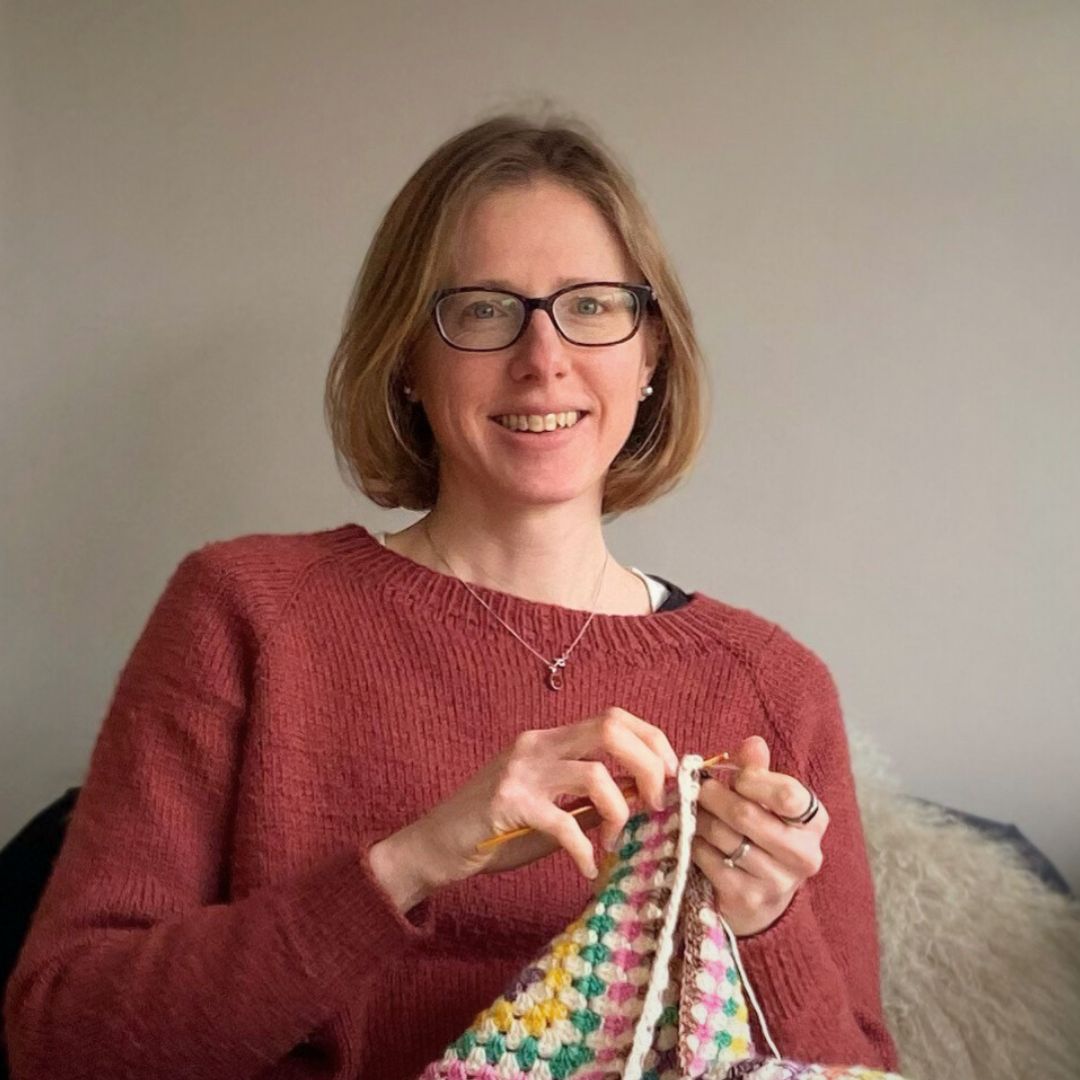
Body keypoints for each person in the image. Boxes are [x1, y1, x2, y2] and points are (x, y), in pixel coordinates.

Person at [3, 115, 898, 1080]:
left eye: (592, 306)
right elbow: (63, 1037)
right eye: (482, 311)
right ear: (407, 363)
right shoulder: (246, 612)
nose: (544, 358)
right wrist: (414, 860)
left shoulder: (773, 683)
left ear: (651, 359)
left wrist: (766, 924)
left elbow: (856, 1066)